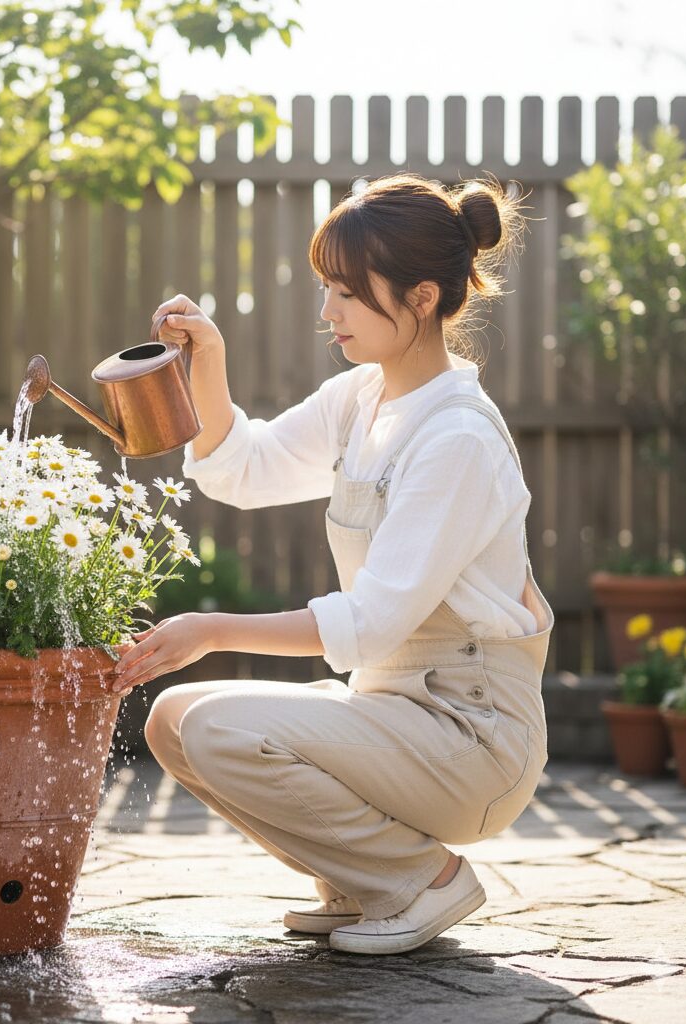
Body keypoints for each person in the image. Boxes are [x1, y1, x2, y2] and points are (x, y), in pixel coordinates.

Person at [111, 172, 554, 956]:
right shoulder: (360, 400)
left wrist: (211, 629)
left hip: (471, 739)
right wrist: (207, 359)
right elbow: (245, 468)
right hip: (395, 717)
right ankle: (359, 880)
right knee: (173, 722)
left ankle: (419, 879)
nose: (328, 313)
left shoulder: (458, 438)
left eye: (348, 293)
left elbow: (372, 621)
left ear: (422, 298)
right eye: (327, 289)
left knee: (216, 728)